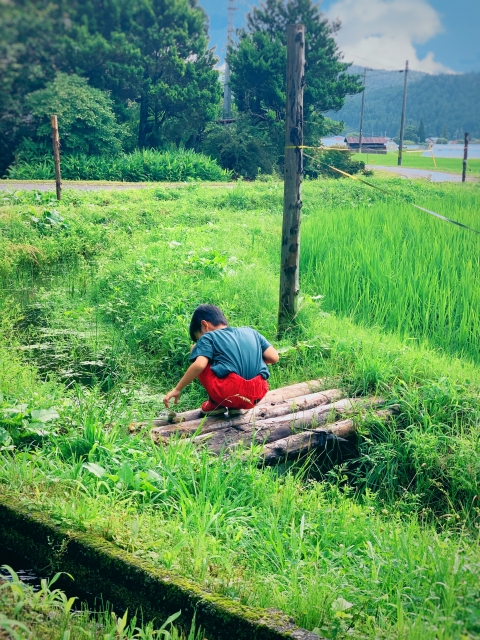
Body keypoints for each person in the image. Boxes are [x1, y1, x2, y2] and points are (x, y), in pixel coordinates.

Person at [163, 304, 279, 416]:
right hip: (256, 393)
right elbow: (274, 357)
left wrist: (178, 389)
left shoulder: (208, 337)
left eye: (198, 337)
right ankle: (236, 407)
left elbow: (200, 365)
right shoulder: (251, 332)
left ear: (204, 325)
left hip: (227, 392)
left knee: (195, 350)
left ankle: (215, 405)